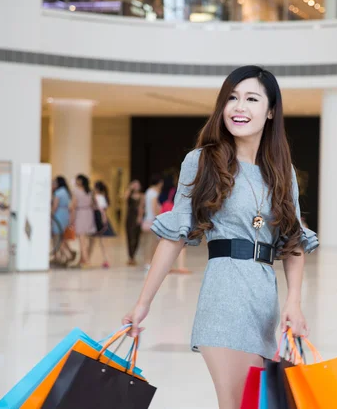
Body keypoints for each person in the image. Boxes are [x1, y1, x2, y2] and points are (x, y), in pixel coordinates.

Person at [122, 65, 318, 409]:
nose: (239, 107)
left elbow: (293, 241)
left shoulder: (281, 170)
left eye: (251, 99)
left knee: (255, 403)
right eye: (232, 98)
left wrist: (294, 301)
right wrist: (143, 303)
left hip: (263, 298)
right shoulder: (202, 161)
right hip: (224, 292)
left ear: (271, 111)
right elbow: (174, 237)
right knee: (237, 403)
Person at [159, 172, 191, 274]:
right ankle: (181, 266)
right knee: (182, 243)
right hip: (178, 218)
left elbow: (159, 203)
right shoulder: (179, 190)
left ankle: (167, 266)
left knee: (168, 242)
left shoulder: (166, 191)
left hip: (168, 218)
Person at [70, 174, 96, 266]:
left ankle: (86, 260)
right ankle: (82, 260)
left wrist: (71, 219)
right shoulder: (90, 191)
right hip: (89, 214)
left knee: (81, 239)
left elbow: (73, 205)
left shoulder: (75, 191)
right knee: (85, 238)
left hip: (80, 214)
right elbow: (93, 204)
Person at [91, 180, 115, 269]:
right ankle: (105, 260)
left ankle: (106, 260)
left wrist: (104, 221)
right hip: (99, 219)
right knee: (100, 242)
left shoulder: (98, 197)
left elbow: (102, 210)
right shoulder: (103, 197)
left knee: (99, 242)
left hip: (98, 220)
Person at [142, 174, 163, 270]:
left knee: (148, 243)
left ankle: (148, 261)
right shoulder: (154, 193)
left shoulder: (148, 192)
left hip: (147, 219)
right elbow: (154, 208)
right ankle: (149, 262)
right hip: (152, 221)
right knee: (152, 243)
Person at [51, 176, 75, 262]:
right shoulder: (66, 192)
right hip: (65, 215)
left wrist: (51, 215)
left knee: (58, 238)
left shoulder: (58, 193)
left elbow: (55, 206)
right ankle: (63, 256)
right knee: (62, 237)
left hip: (58, 215)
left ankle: (66, 256)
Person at [124, 180, 144, 266]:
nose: (136, 186)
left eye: (137, 184)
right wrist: (130, 188)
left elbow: (141, 207)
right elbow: (125, 198)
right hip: (129, 217)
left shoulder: (142, 196)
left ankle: (134, 255)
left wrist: (140, 217)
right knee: (129, 236)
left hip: (137, 218)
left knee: (137, 237)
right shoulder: (129, 195)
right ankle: (131, 257)